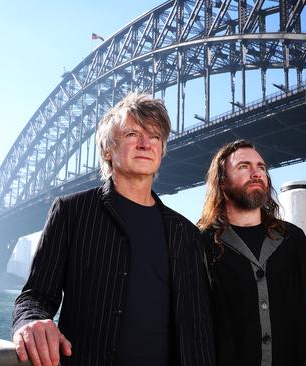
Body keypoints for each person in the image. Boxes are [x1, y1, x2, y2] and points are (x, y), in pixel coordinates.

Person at [12, 92, 215, 366]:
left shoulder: (185, 232)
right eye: (132, 134)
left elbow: (198, 327)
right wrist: (32, 321)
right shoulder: (72, 212)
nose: (145, 143)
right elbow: (36, 295)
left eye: (155, 137)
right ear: (108, 150)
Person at [198, 139, 306, 366]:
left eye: (261, 167)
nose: (256, 173)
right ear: (222, 182)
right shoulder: (201, 242)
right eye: (244, 167)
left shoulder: (292, 238)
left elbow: (305, 318)